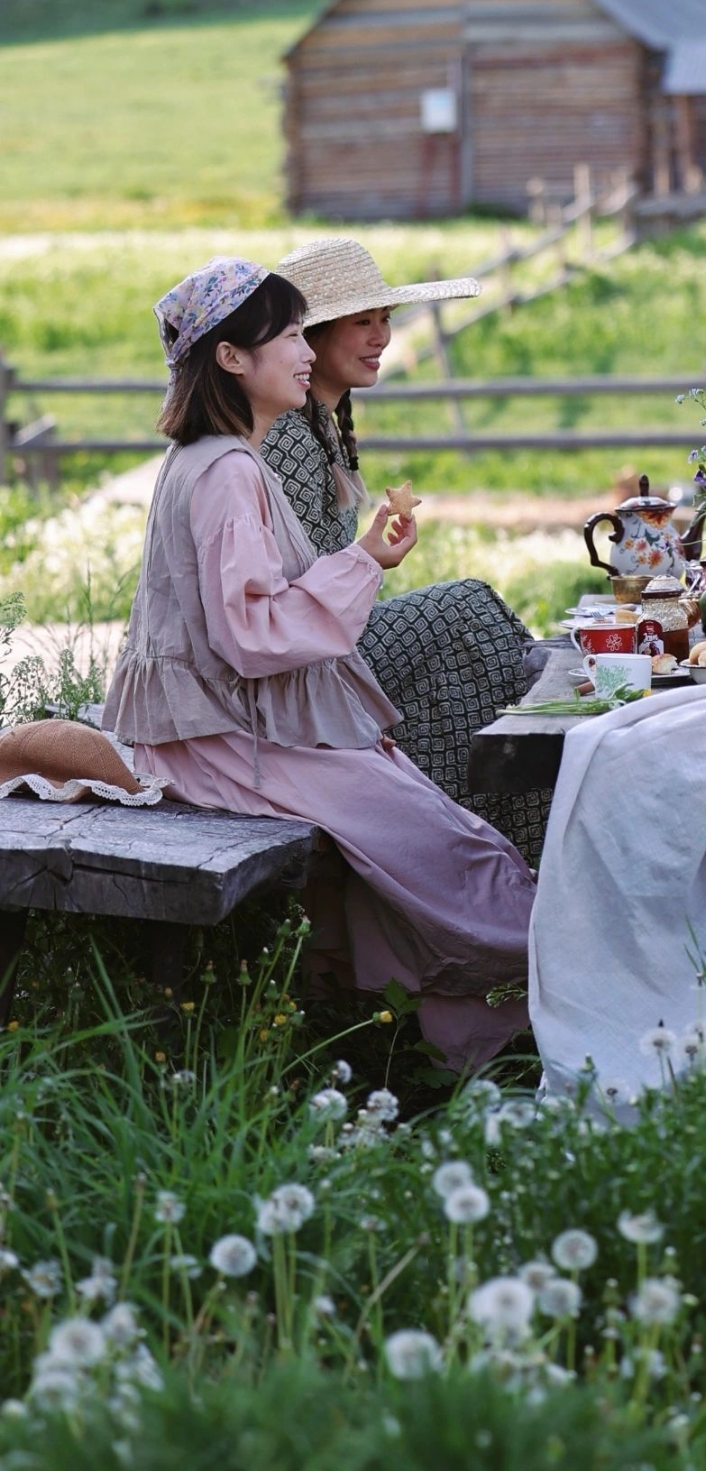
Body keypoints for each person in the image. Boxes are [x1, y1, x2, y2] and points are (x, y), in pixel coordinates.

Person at [102, 258, 536, 1069]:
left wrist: (365, 553)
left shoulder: (211, 459)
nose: (307, 352)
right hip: (226, 742)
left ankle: (458, 1040)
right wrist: (364, 564)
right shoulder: (230, 472)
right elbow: (253, 635)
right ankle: (536, 995)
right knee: (446, 851)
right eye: (293, 334)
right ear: (232, 358)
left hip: (222, 729)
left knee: (443, 837)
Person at [261, 237, 551, 860]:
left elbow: (316, 562)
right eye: (361, 322)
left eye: (385, 319)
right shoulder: (286, 431)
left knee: (469, 640)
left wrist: (367, 551)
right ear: (310, 337)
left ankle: (503, 821)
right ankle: (519, 834)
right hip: (296, 663)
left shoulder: (318, 423)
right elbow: (291, 589)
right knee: (466, 609)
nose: (381, 337)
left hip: (327, 638)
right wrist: (366, 562)